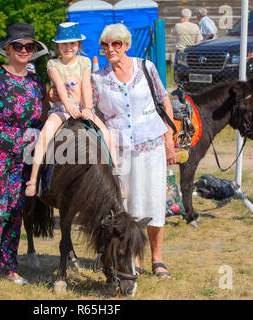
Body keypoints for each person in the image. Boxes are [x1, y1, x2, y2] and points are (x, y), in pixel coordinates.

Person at [90, 23, 176, 278]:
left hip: (151, 147)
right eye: (105, 45)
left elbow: (164, 101)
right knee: (127, 205)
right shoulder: (98, 79)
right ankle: (133, 258)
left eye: (116, 44)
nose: (110, 49)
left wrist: (169, 140)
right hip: (120, 153)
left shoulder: (146, 68)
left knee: (153, 202)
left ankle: (158, 259)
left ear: (126, 45)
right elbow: (93, 114)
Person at [0, 23, 49, 285]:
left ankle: (10, 267)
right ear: (7, 49)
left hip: (25, 158)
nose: (24, 50)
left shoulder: (37, 82)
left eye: (29, 46)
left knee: (16, 212)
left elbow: (47, 117)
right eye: (18, 46)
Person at [25, 22, 122, 198]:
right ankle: (34, 179)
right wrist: (69, 108)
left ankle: (117, 178)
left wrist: (87, 107)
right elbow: (60, 88)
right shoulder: (53, 64)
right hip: (62, 110)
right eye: (64, 44)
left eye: (72, 43)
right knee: (44, 136)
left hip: (83, 108)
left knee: (107, 136)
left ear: (78, 45)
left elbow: (86, 85)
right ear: (58, 46)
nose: (68, 47)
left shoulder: (84, 61)